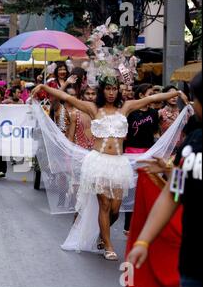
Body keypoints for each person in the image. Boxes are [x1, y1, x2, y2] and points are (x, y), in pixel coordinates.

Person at [32, 76, 183, 261]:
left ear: (118, 91)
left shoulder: (125, 108)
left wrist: (177, 92)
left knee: (115, 210)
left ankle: (101, 235)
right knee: (104, 204)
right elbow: (68, 98)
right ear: (102, 91)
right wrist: (42, 86)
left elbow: (151, 99)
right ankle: (108, 246)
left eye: (114, 89)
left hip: (119, 164)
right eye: (108, 89)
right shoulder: (93, 108)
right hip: (98, 162)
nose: (111, 93)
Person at [127, 71, 202, 287]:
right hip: (193, 267)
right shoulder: (191, 143)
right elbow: (175, 192)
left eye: (196, 100)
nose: (194, 105)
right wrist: (143, 242)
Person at [123, 83, 161, 236]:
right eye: (150, 93)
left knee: (145, 190)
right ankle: (127, 226)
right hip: (130, 155)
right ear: (141, 95)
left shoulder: (153, 113)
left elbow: (155, 133)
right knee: (131, 191)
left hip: (147, 155)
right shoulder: (131, 112)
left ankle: (142, 225)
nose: (153, 96)